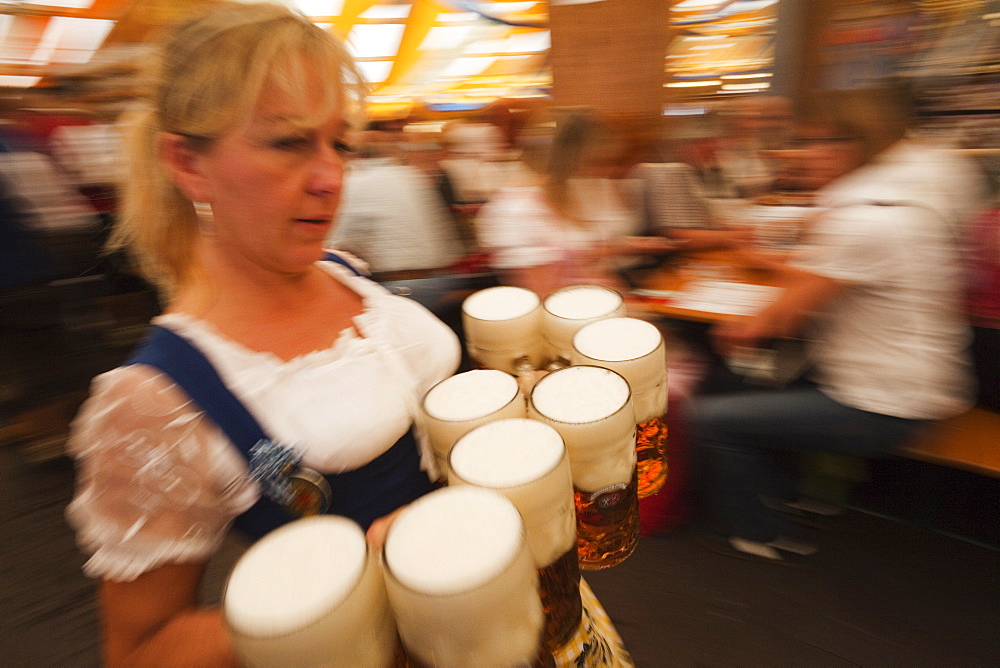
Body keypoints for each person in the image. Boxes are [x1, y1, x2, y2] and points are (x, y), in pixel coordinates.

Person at [64, 5, 461, 665]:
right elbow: (139, 650)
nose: (333, 177)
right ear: (188, 164)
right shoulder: (153, 402)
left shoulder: (343, 272)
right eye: (288, 142)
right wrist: (346, 585)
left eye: (342, 143)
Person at [691, 84, 989, 561]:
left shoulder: (865, 217)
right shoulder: (900, 198)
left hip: (887, 404)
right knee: (758, 383)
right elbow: (826, 276)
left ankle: (758, 529)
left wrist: (737, 325)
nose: (799, 154)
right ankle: (786, 492)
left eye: (813, 142)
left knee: (707, 418)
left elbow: (772, 321)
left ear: (855, 145)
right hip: (922, 381)